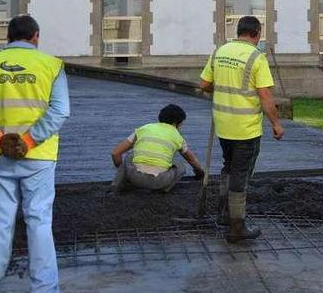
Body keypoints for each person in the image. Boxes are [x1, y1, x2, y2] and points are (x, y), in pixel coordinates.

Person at [0, 14, 70, 293]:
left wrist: (0, 138)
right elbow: (60, 110)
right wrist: (30, 141)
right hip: (39, 156)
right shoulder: (52, 66)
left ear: (7, 38)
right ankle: (45, 289)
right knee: (39, 221)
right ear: (36, 36)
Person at [199, 15, 284, 243]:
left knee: (228, 166)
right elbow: (266, 98)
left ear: (238, 32)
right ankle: (237, 227)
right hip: (245, 129)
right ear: (256, 34)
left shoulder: (220, 52)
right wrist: (276, 123)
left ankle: (224, 214)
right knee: (240, 174)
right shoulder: (257, 58)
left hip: (223, 124)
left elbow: (204, 85)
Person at [110, 104, 205, 192]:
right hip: (160, 181)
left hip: (134, 178)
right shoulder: (178, 137)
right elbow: (192, 161)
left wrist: (123, 171)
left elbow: (115, 153)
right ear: (177, 123)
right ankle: (165, 189)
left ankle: (117, 185)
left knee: (129, 157)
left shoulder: (143, 129)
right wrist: (200, 173)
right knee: (181, 166)